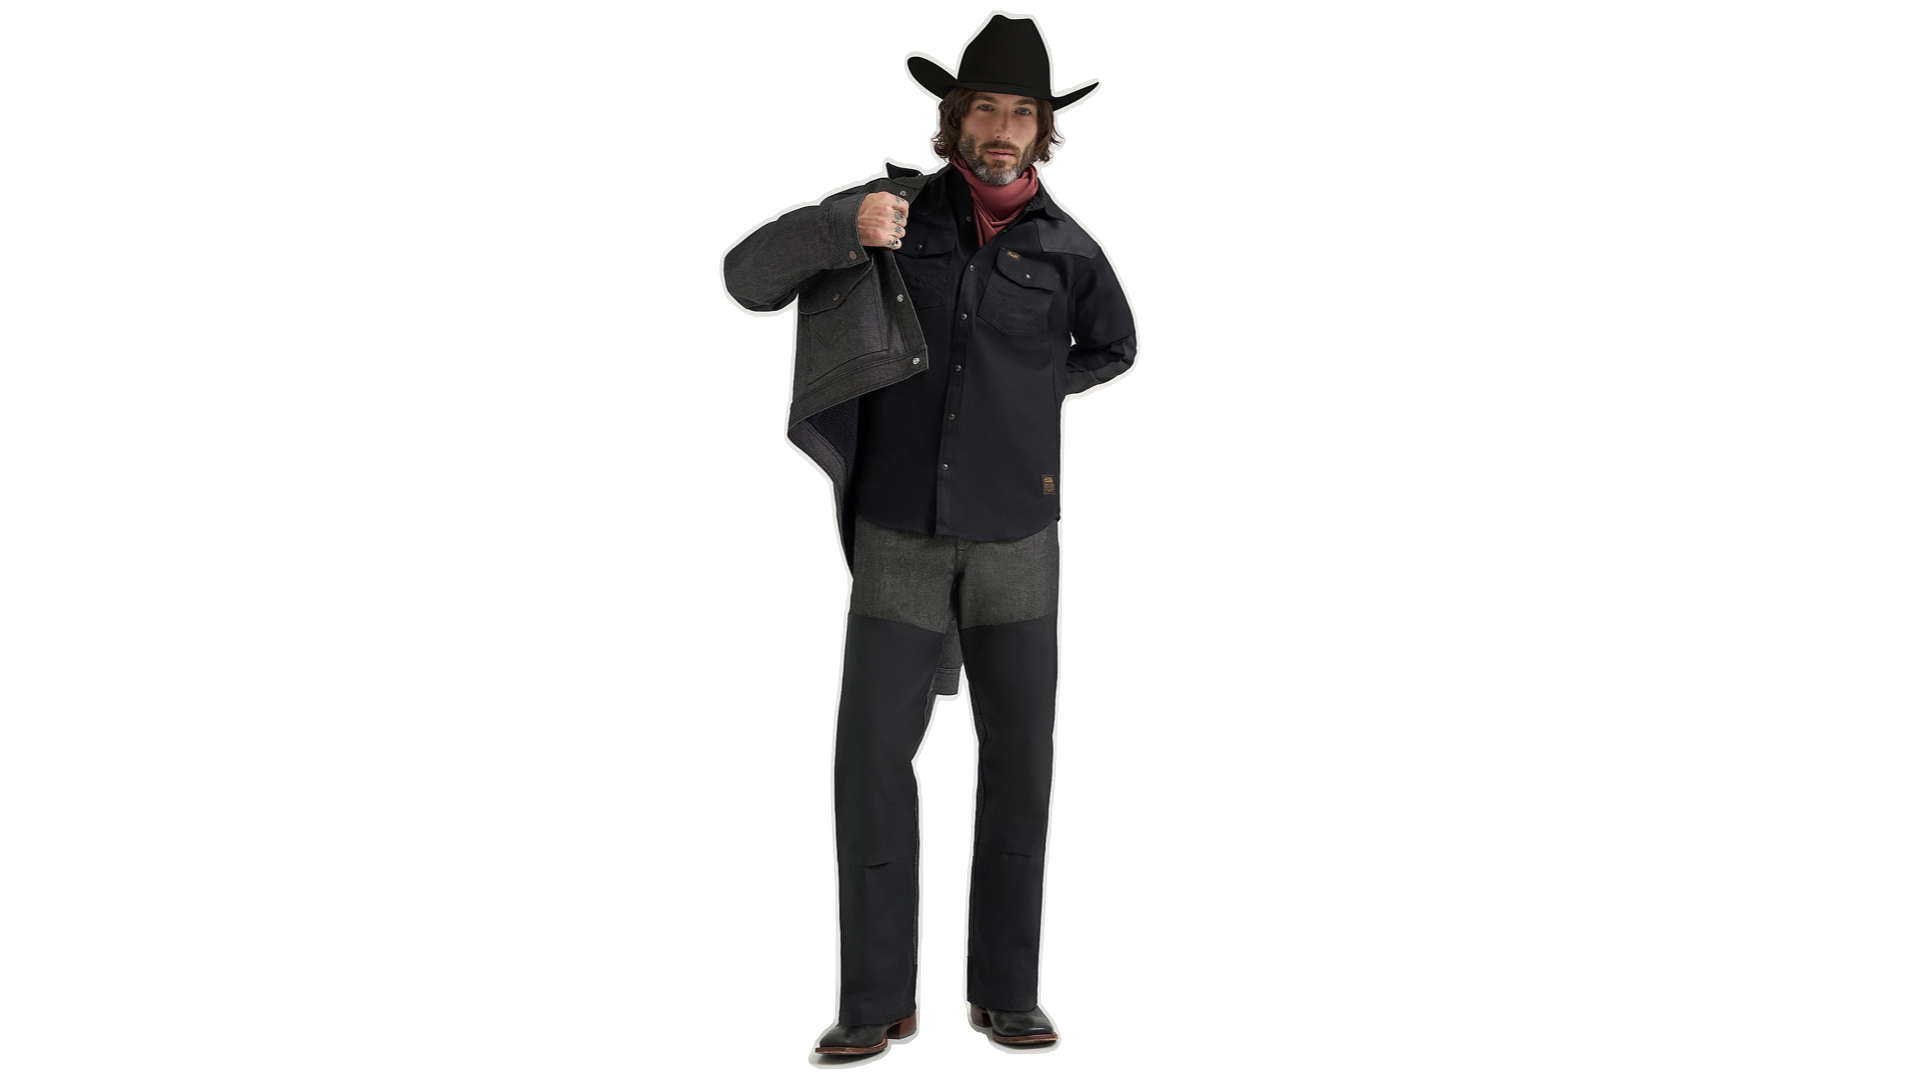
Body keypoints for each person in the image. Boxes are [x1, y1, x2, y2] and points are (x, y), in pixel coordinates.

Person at [722, 14, 1136, 1057]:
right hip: (899, 532)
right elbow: (745, 276)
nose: (1001, 129)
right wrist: (838, 232)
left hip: (1018, 541)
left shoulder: (1069, 249)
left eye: (1021, 114)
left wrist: (1027, 401)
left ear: (1042, 131)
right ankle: (874, 1002)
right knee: (869, 763)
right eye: (984, 108)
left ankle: (1008, 991)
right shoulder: (889, 211)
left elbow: (1114, 348)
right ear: (954, 118)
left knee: (1021, 765)